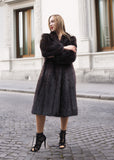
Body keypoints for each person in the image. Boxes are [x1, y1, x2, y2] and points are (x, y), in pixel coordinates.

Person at [31, 14, 78, 152]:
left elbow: (71, 57)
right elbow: (45, 52)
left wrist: (56, 53)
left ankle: (62, 136)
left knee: (65, 106)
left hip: (66, 76)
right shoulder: (46, 38)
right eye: (49, 21)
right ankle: (39, 136)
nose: (51, 24)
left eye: (53, 21)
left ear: (59, 22)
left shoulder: (71, 38)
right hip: (48, 76)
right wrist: (64, 48)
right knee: (40, 106)